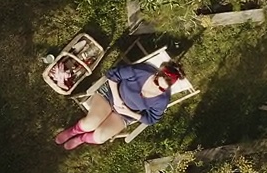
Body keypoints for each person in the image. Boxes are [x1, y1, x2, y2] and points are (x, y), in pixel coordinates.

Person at [54, 59, 185, 150]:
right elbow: (112, 74)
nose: (156, 87)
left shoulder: (163, 99)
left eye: (161, 88)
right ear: (157, 73)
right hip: (111, 94)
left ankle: (81, 139)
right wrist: (117, 99)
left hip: (126, 114)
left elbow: (152, 119)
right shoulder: (142, 71)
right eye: (156, 82)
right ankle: (73, 131)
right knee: (90, 123)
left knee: (100, 137)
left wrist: (129, 113)